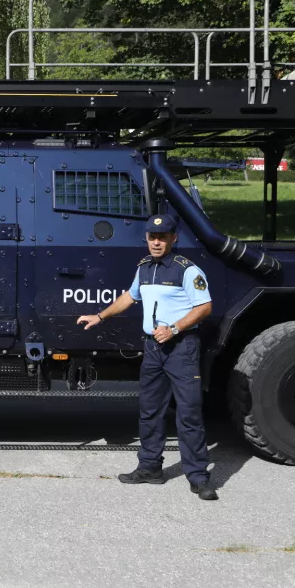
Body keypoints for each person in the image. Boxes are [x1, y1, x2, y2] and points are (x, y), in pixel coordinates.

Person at [77, 214, 217, 501]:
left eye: (162, 237)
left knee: (189, 413)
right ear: (146, 239)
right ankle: (150, 468)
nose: (156, 242)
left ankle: (199, 477)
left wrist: (175, 328)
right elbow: (129, 297)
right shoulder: (144, 268)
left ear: (173, 238)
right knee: (150, 411)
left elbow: (204, 307)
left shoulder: (187, 270)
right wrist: (100, 316)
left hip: (181, 348)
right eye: (152, 237)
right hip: (153, 349)